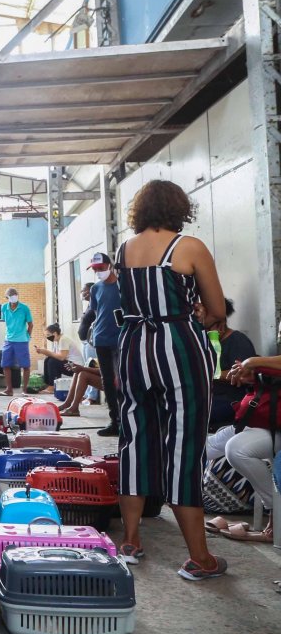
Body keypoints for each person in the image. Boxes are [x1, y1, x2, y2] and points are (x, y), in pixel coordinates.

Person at [114, 179, 227, 581]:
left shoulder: (123, 251)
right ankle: (199, 557)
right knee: (183, 443)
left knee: (135, 437)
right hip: (178, 347)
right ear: (179, 208)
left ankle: (129, 541)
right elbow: (216, 309)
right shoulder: (189, 246)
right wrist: (201, 314)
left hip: (132, 348)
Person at [217, 354, 280, 544]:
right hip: (274, 425)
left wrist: (252, 363)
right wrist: (255, 374)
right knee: (235, 448)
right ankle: (276, 510)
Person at [194, 297, 257, 429]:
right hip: (210, 396)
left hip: (231, 399)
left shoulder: (237, 340)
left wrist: (209, 375)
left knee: (194, 414)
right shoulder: (205, 342)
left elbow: (243, 375)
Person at [81, 252, 122, 437]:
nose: (98, 272)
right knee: (108, 382)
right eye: (95, 269)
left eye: (101, 268)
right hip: (101, 340)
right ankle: (115, 421)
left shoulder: (124, 286)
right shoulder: (96, 288)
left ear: (110, 266)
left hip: (121, 340)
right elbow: (96, 311)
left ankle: (127, 421)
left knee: (122, 381)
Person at [0, 287, 34, 396]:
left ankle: (24, 390)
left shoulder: (24, 308)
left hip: (22, 341)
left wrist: (28, 336)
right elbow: (5, 322)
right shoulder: (4, 307)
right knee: (6, 365)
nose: (14, 297)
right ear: (7, 297)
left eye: (15, 294)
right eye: (11, 295)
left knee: (25, 366)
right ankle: (9, 389)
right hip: (8, 340)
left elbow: (30, 324)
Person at [35, 322, 84, 387]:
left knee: (52, 362)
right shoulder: (56, 341)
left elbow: (61, 357)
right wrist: (43, 351)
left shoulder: (63, 339)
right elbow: (55, 355)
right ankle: (48, 384)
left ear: (55, 333)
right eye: (46, 336)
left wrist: (46, 352)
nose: (47, 338)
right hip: (69, 364)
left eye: (48, 335)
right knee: (48, 359)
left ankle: (53, 386)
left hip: (76, 367)